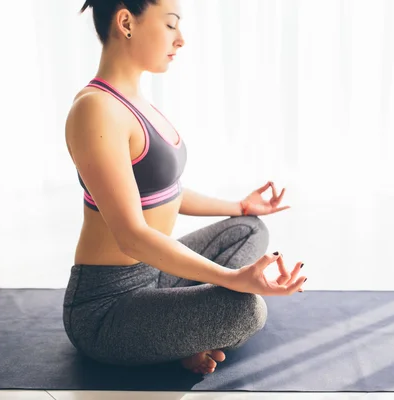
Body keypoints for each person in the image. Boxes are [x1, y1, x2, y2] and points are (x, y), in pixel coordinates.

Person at [62, 0, 307, 375]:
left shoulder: (135, 103)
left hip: (155, 276)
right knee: (247, 310)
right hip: (106, 308)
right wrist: (231, 279)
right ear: (126, 22)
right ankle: (183, 333)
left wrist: (241, 206)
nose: (181, 40)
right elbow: (131, 236)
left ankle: (181, 332)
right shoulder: (96, 109)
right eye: (172, 24)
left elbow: (166, 194)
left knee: (248, 230)